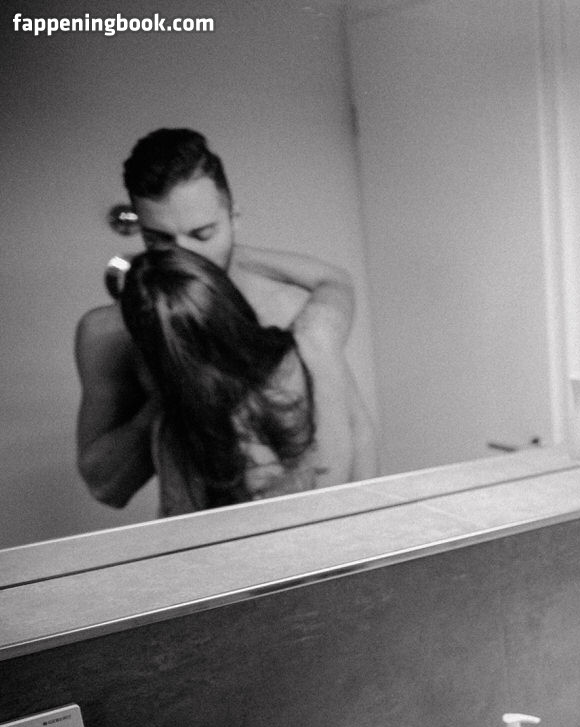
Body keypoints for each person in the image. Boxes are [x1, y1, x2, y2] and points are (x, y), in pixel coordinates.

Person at [74, 127, 375, 508]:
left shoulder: (290, 308)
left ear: (234, 218)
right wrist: (174, 383)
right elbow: (106, 488)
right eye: (159, 240)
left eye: (202, 234)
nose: (185, 257)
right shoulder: (109, 332)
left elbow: (359, 436)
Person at [116, 247, 356, 513]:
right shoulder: (315, 338)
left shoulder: (177, 436)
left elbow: (183, 533)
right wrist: (234, 251)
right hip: (354, 529)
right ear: (230, 301)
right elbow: (336, 281)